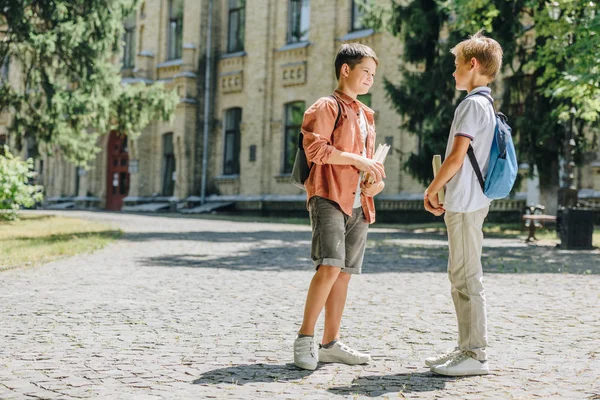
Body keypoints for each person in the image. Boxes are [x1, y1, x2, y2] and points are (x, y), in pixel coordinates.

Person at [293, 43, 386, 371]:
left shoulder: (367, 115)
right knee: (329, 267)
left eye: (373, 75)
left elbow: (372, 168)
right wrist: (358, 159)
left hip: (360, 202)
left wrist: (376, 182)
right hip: (329, 196)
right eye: (365, 72)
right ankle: (304, 339)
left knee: (344, 274)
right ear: (346, 70)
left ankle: (330, 344)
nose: (370, 80)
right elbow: (316, 150)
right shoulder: (326, 106)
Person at [423, 30, 503, 376]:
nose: (453, 72)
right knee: (460, 275)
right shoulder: (485, 103)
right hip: (469, 200)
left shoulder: (471, 104)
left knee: (467, 277)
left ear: (472, 65)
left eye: (457, 65)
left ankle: (475, 354)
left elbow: (456, 156)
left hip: (467, 202)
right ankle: (466, 347)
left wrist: (431, 188)